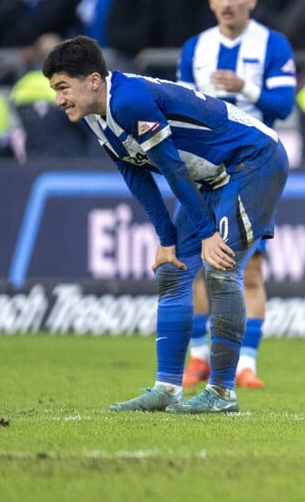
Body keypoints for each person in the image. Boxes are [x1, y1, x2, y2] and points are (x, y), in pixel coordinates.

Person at [43, 35, 289, 414]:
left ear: (93, 80)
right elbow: (135, 173)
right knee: (173, 272)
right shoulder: (95, 113)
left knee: (220, 268)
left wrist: (207, 233)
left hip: (252, 161)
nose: (58, 99)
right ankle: (167, 388)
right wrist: (166, 239)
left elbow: (172, 168)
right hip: (209, 176)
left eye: (62, 87)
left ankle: (222, 394)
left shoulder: (128, 101)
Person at [176, 0, 297, 390]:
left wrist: (245, 86)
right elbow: (178, 108)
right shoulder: (196, 49)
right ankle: (198, 358)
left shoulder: (272, 44)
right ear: (210, 0)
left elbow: (283, 105)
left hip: (253, 172)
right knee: (195, 265)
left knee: (250, 271)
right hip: (204, 171)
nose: (228, 3)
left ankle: (246, 364)